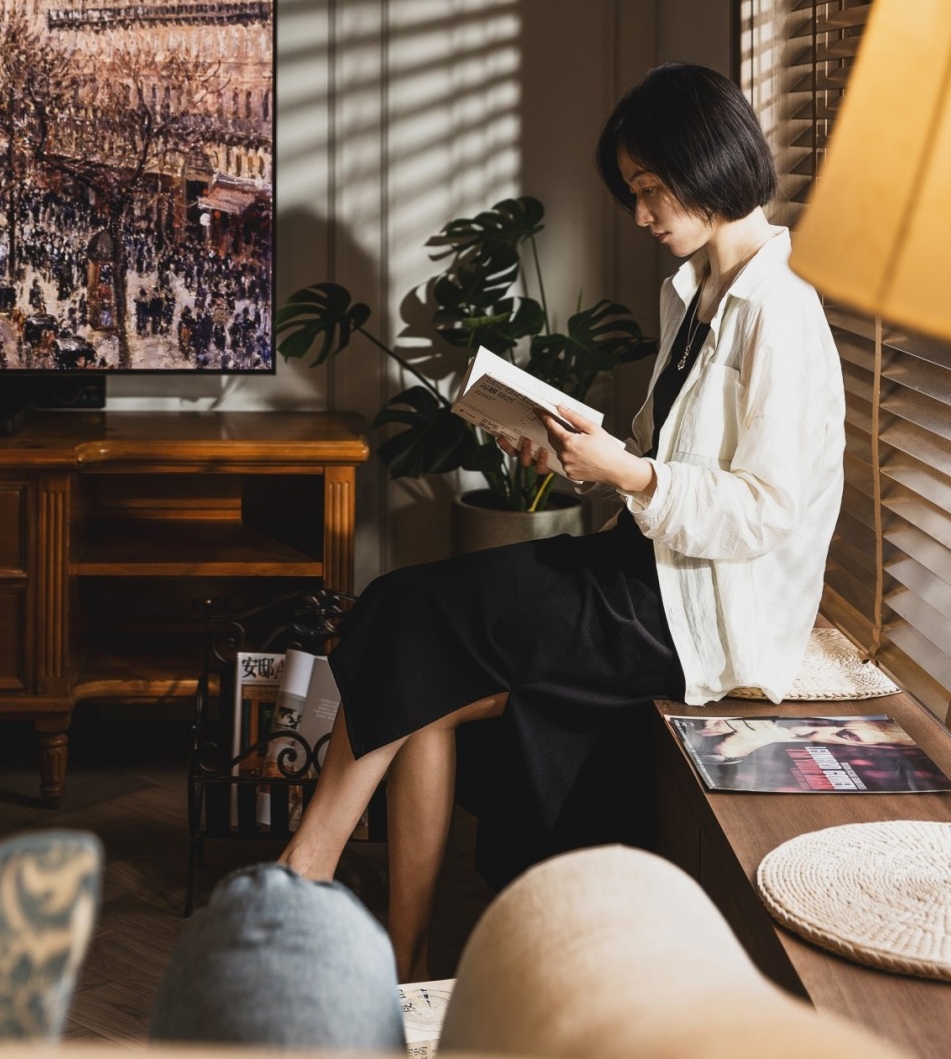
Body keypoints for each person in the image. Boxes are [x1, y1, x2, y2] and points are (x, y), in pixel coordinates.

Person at [275, 63, 846, 981]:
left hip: (693, 619)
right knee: (416, 667)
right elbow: (671, 470)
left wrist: (626, 467)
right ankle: (410, 960)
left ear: (706, 168)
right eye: (634, 194)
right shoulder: (695, 295)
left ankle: (299, 877)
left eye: (651, 190)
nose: (642, 214)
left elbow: (765, 510)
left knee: (401, 614)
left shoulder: (780, 314)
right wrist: (582, 456)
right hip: (645, 570)